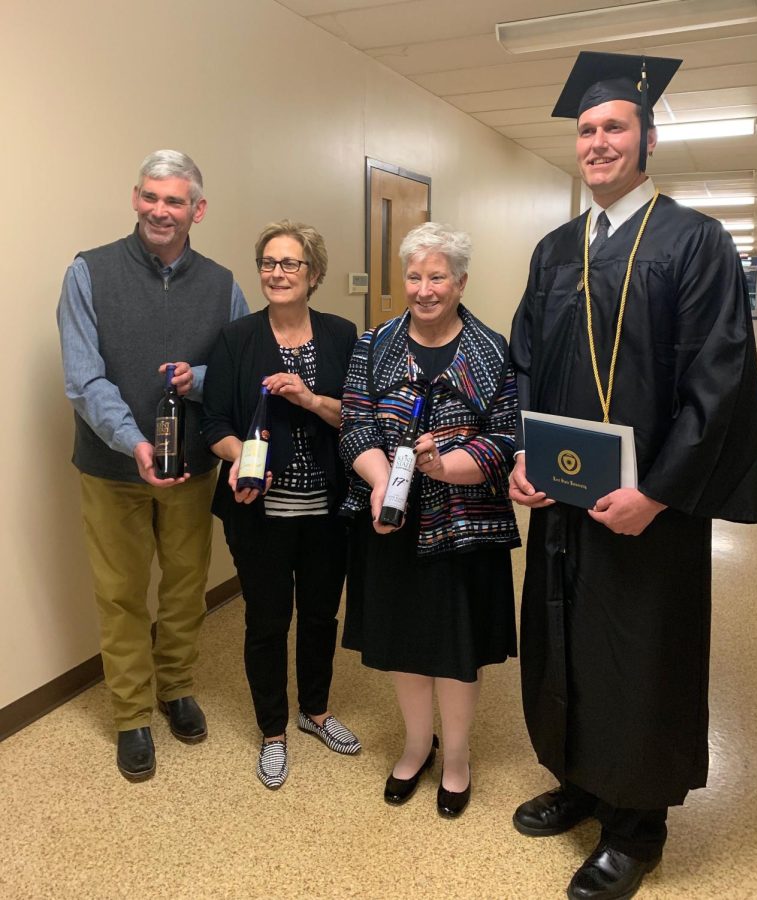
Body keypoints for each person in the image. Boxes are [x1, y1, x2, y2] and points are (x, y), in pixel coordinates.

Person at [509, 52, 757, 899]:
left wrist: (656, 492)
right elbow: (523, 366)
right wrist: (521, 456)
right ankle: (581, 780)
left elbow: (719, 383)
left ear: (648, 137)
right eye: (586, 130)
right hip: (564, 501)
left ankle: (636, 827)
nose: (597, 141)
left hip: (648, 509)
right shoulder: (553, 250)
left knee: (639, 652)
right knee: (567, 642)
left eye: (614, 126)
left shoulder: (695, 244)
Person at [57, 150, 249, 782]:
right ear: (135, 198)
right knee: (119, 593)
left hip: (191, 468)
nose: (159, 211)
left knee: (185, 585)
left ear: (197, 209)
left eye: (174, 201)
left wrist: (198, 380)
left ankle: (176, 686)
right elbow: (85, 379)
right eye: (150, 197)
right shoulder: (89, 272)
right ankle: (132, 714)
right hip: (113, 469)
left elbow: (241, 372)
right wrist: (132, 442)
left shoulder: (223, 285)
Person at [341, 222, 520, 818]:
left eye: (437, 276)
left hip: (466, 523)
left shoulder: (492, 349)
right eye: (414, 276)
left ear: (461, 281)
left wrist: (443, 466)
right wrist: (377, 484)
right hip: (390, 523)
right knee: (405, 644)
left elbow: (503, 439)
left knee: (455, 647)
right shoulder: (375, 344)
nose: (423, 288)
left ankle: (459, 757)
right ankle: (418, 746)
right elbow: (357, 425)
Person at [202, 220, 360, 790]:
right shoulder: (236, 339)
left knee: (319, 615)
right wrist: (240, 455)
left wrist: (312, 399)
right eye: (269, 262)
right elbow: (214, 422)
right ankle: (273, 730)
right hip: (258, 512)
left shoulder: (343, 336)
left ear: (313, 274)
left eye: (290, 263)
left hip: (327, 510)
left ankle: (314, 712)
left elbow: (357, 419)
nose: (277, 273)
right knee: (266, 622)